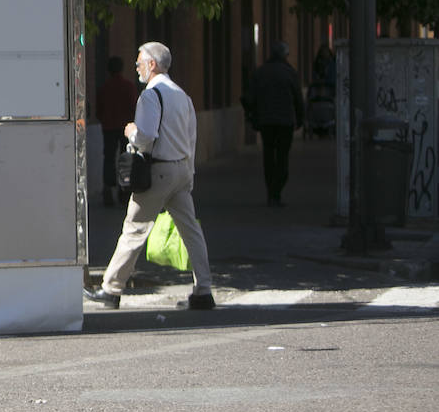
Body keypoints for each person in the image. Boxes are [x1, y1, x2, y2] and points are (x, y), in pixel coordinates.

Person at [83, 41, 215, 310]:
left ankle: (111, 290)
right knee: (191, 232)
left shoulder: (151, 95)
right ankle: (204, 290)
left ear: (152, 64)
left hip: (158, 171)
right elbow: (191, 138)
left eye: (140, 61)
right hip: (180, 170)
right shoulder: (182, 95)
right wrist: (188, 173)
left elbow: (145, 138)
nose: (137, 66)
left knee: (133, 230)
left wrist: (130, 130)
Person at [247, 41, 305, 206]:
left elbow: (251, 97)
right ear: (285, 55)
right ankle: (276, 191)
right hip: (285, 121)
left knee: (268, 156)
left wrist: (253, 117)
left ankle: (271, 191)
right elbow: (298, 99)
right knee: (282, 157)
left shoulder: (260, 72)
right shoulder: (290, 72)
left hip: (267, 121)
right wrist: (300, 119)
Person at [95, 56, 140, 207]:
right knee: (125, 157)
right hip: (125, 127)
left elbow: (99, 110)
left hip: (108, 127)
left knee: (108, 157)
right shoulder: (129, 86)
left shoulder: (104, 87)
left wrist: (104, 120)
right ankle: (124, 191)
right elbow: (134, 107)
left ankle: (108, 189)